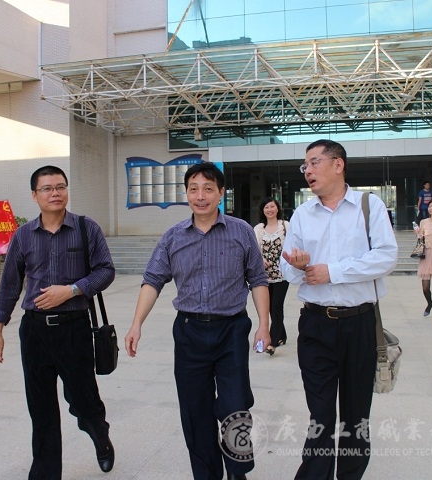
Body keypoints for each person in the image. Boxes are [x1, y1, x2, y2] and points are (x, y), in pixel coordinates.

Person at [124, 162, 270, 480]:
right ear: (186, 194)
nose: (200, 196)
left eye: (208, 189)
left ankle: (237, 470)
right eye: (193, 189)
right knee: (195, 411)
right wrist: (136, 324)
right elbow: (152, 280)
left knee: (234, 405)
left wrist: (264, 325)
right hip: (190, 332)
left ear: (220, 193)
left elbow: (258, 279)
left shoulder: (241, 231)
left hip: (231, 329)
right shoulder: (173, 237)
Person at [280, 139, 398, 480]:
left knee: (355, 415)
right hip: (315, 325)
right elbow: (286, 269)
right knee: (320, 414)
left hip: (359, 324)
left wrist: (333, 271)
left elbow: (386, 256)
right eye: (305, 165)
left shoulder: (369, 206)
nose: (308, 170)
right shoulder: (302, 215)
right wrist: (298, 266)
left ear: (338, 164)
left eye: (314, 162)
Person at [0, 165, 116, 479]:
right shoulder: (23, 235)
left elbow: (106, 270)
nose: (55, 193)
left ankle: (99, 432)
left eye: (60, 186)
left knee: (83, 400)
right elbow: (9, 284)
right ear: (35, 195)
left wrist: (71, 290)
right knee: (41, 407)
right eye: (46, 188)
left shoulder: (86, 228)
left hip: (74, 328)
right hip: (34, 330)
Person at [253, 197, 290, 355]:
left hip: (282, 274)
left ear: (277, 209)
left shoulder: (285, 226)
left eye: (272, 206)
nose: (269, 210)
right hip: (264, 275)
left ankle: (272, 342)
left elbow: (292, 245)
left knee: (276, 306)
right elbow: (254, 249)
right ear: (263, 210)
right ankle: (281, 335)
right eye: (266, 207)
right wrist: (260, 260)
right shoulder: (258, 228)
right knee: (268, 308)